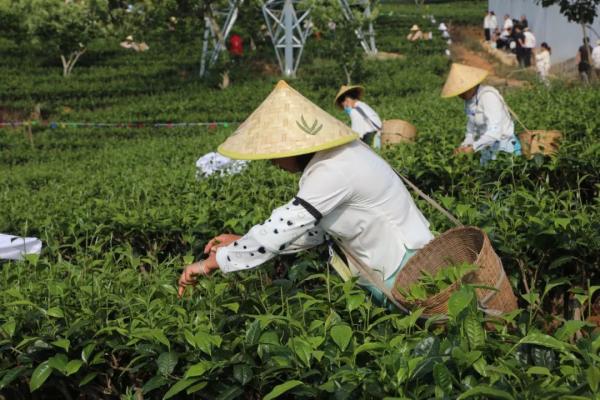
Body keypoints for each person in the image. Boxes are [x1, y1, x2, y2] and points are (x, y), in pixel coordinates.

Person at [177, 81, 435, 305]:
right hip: (395, 264)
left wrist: (210, 263)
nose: (273, 164)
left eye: (275, 156)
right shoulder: (340, 155)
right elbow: (315, 231)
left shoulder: (332, 170)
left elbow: (282, 227)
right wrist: (241, 241)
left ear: (294, 148)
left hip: (404, 269)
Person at [441, 63, 522, 165]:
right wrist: (464, 146)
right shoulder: (469, 101)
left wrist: (474, 147)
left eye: (462, 91)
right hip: (487, 150)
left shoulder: (488, 96)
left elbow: (495, 132)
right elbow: (471, 132)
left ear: (470, 87)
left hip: (504, 151)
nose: (460, 95)